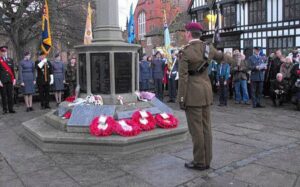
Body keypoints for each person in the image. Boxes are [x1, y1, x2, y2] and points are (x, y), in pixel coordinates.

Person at [178, 22, 235, 171]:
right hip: (206, 93)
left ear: (189, 34)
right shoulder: (208, 48)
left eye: (185, 32)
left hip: (192, 95)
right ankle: (207, 159)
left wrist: (181, 99)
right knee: (206, 128)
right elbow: (222, 57)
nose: (185, 34)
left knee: (196, 130)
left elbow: (183, 79)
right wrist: (236, 61)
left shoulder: (185, 52)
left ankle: (199, 161)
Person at [0, 46, 16, 114]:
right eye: (3, 52)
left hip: (10, 80)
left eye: (5, 51)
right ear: (1, 52)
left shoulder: (10, 60)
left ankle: (11, 109)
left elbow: (12, 70)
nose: (4, 53)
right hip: (2, 81)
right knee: (4, 96)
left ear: (7, 52)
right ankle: (5, 109)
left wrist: (14, 78)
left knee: (10, 95)